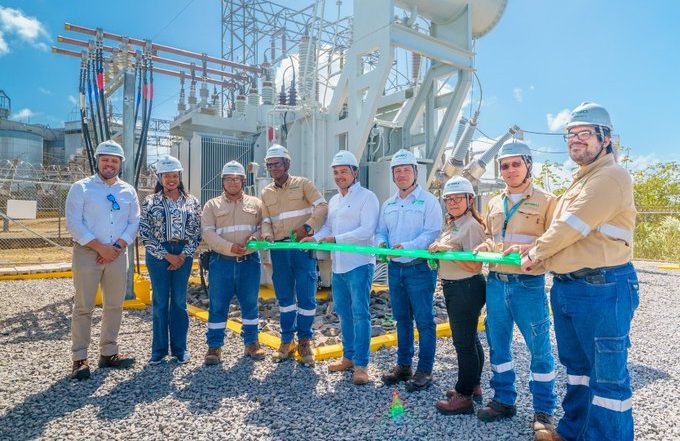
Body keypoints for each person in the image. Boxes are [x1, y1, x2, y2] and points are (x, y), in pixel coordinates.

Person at [522, 102, 638, 441]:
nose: (575, 139)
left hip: (602, 287)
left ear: (606, 138)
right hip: (569, 287)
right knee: (578, 371)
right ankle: (573, 432)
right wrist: (531, 253)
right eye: (571, 134)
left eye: (585, 133)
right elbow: (560, 237)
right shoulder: (579, 182)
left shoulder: (611, 176)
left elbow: (570, 228)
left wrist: (535, 253)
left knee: (608, 378)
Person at [473, 139, 558, 441]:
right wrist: (485, 245)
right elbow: (491, 236)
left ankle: (544, 411)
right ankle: (504, 400)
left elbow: (556, 240)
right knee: (498, 345)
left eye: (515, 164)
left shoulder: (548, 201)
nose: (510, 170)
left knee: (540, 349)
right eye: (504, 166)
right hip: (496, 283)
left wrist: (531, 248)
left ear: (528, 165)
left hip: (528, 285)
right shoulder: (494, 203)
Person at [301, 150, 379, 384]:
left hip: (360, 265)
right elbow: (328, 229)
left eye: (344, 171)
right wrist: (315, 238)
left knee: (360, 314)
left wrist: (336, 240)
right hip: (339, 267)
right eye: (336, 172)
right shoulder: (334, 201)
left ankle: (362, 365)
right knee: (344, 313)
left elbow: (367, 231)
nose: (339, 176)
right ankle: (348, 357)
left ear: (355, 172)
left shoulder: (367, 197)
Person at [65, 140, 140, 380]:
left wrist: (116, 247)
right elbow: (74, 222)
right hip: (88, 252)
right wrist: (99, 247)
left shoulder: (128, 191)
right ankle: (80, 358)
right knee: (84, 306)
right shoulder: (81, 188)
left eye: (114, 161)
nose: (109, 164)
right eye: (105, 159)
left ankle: (108, 352)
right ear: (97, 161)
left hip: (117, 254)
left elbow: (134, 222)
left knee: (114, 305)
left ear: (120, 164)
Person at [375, 149, 443, 392]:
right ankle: (404, 366)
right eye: (397, 170)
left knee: (424, 320)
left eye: (406, 170)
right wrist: (381, 243)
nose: (402, 174)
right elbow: (380, 231)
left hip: (419, 269)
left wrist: (407, 247)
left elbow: (432, 233)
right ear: (393, 175)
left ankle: (424, 370)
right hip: (395, 269)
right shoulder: (388, 204)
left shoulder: (429, 202)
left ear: (415, 172)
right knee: (402, 319)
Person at [260, 144, 328, 366]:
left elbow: (322, 206)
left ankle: (305, 341)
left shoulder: (303, 184)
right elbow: (266, 220)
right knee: (285, 298)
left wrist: (308, 227)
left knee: (306, 296)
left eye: (277, 164)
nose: (273, 168)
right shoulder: (266, 192)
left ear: (287, 164)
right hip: (279, 251)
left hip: (301, 249)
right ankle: (287, 340)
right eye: (270, 165)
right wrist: (267, 235)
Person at [139, 155, 201, 365]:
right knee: (160, 302)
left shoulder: (192, 202)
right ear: (160, 177)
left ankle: (180, 349)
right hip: (159, 255)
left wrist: (182, 255)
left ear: (180, 176)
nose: (171, 180)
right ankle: (158, 350)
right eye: (167, 176)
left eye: (174, 176)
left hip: (183, 254)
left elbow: (196, 232)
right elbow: (145, 232)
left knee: (179, 302)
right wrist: (167, 255)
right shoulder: (150, 201)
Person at [431, 176, 486, 414]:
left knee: (463, 344)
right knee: (470, 339)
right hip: (455, 286)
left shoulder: (471, 225)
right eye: (449, 199)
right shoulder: (453, 223)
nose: (452, 203)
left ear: (470, 199)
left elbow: (474, 265)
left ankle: (463, 396)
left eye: (457, 198)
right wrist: (439, 249)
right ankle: (473, 385)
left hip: (466, 287)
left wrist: (447, 252)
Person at [201, 160, 265, 364]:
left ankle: (252, 343)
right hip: (222, 262)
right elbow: (207, 233)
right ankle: (214, 346)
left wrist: (254, 239)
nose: (232, 182)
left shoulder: (256, 204)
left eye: (237, 179)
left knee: (250, 304)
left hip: (249, 262)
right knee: (218, 305)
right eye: (228, 179)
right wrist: (230, 247)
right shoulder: (212, 205)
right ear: (223, 181)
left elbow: (264, 226)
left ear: (243, 181)